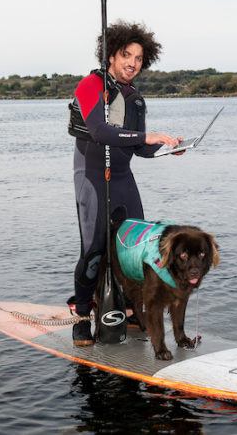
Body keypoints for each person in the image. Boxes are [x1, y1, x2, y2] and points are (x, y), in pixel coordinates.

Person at [70, 21, 181, 346]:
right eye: (126, 55)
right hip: (92, 178)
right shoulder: (91, 85)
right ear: (110, 55)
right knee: (93, 251)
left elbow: (139, 149)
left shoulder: (135, 99)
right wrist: (147, 136)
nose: (132, 63)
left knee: (135, 248)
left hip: (122, 179)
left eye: (139, 58)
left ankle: (132, 311)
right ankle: (81, 316)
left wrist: (165, 146)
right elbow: (100, 132)